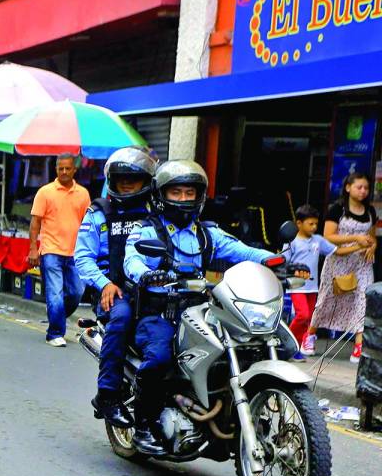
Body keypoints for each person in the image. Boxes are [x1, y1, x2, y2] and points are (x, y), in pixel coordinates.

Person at [123, 160, 277, 454]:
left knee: (244, 347)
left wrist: (273, 260)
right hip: (161, 312)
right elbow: (132, 259)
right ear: (161, 196)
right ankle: (143, 426)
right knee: (157, 358)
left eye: (189, 193)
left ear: (199, 196)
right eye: (176, 193)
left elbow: (242, 251)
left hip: (201, 310)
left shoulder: (208, 234)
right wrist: (145, 274)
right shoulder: (148, 231)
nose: (183, 199)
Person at [74, 147, 157, 427]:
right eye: (122, 181)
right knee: (120, 319)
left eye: (132, 181)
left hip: (152, 290)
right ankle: (108, 394)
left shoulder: (154, 213)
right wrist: (104, 283)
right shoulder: (98, 213)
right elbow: (82, 258)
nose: (126, 186)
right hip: (115, 292)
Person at [307, 173, 378, 363]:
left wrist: (372, 246)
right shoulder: (336, 209)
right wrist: (356, 239)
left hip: (361, 264)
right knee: (327, 300)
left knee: (363, 300)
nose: (363, 191)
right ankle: (310, 335)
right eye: (359, 187)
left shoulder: (370, 211)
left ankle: (359, 346)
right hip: (338, 262)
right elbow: (328, 236)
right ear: (348, 188)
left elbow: (371, 236)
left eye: (366, 188)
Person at [29, 154, 92, 347]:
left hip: (75, 253)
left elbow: (87, 224)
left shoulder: (83, 194)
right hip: (51, 251)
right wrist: (33, 248)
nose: (64, 172)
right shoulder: (45, 192)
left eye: (67, 168)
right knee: (55, 293)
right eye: (60, 169)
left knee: (76, 293)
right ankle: (54, 333)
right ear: (55, 170)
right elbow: (35, 222)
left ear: (74, 170)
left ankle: (56, 316)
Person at [282, 205, 338, 360]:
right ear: (299, 223)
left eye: (316, 224)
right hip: (296, 286)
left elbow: (336, 251)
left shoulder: (318, 240)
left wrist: (357, 247)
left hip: (313, 287)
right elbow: (284, 261)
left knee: (308, 319)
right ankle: (286, 344)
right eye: (310, 224)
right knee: (303, 315)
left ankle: (294, 350)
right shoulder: (291, 241)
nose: (314, 227)